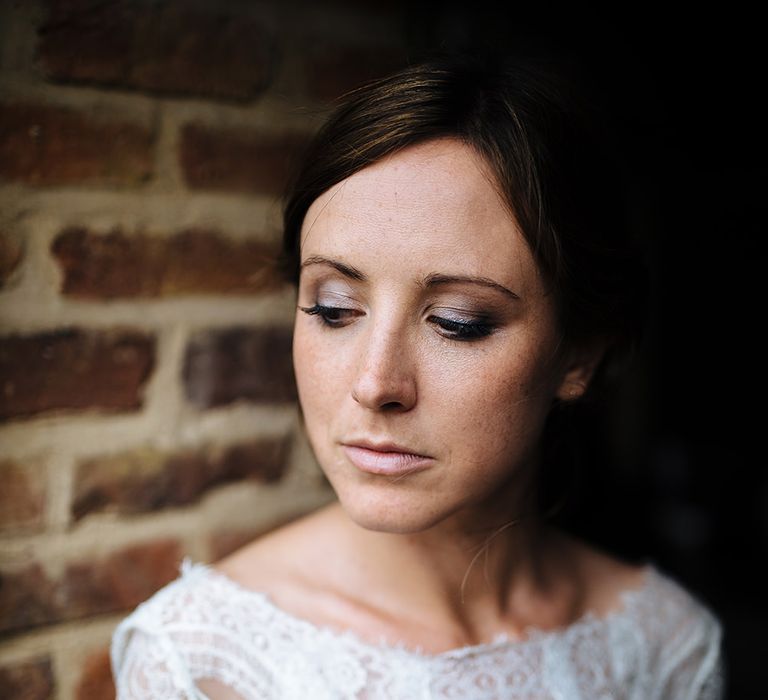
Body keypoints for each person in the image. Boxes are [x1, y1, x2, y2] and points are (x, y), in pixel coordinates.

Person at [110, 51, 724, 699]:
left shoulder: (664, 646)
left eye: (458, 322)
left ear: (579, 357)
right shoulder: (202, 660)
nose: (376, 384)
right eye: (334, 309)